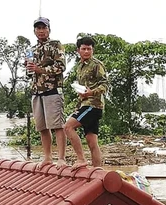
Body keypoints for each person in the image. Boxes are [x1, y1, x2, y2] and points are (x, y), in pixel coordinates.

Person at [26, 17, 67, 169]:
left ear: (49, 29)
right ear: (34, 31)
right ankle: (47, 157)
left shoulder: (56, 45)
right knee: (42, 127)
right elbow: (29, 73)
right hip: (36, 91)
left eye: (44, 28)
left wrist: (40, 69)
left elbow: (61, 67)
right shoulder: (31, 50)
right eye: (38, 28)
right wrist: (29, 68)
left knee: (57, 125)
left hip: (53, 89)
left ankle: (61, 158)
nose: (41, 31)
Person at [64, 36, 108, 170]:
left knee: (68, 127)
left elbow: (105, 84)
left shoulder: (96, 64)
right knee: (92, 141)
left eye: (89, 49)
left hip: (93, 105)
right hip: (85, 104)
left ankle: (81, 159)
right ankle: (97, 171)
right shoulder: (79, 67)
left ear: (93, 50)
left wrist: (91, 92)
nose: (87, 51)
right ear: (78, 50)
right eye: (84, 49)